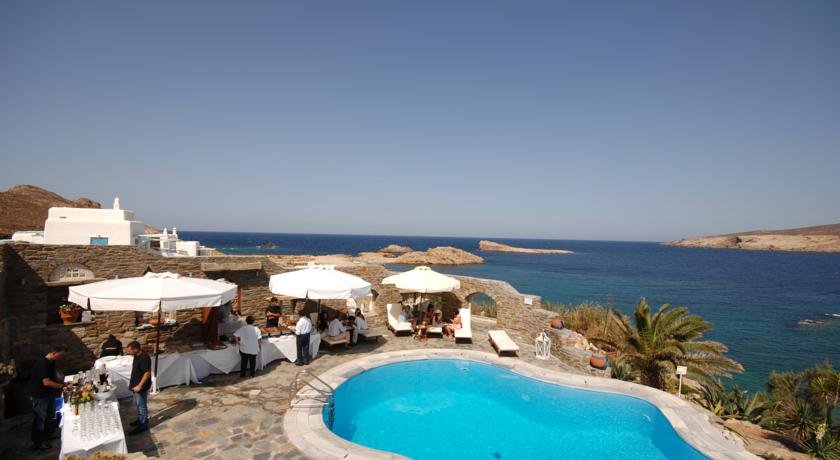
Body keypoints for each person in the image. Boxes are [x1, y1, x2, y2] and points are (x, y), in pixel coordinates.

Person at [28, 345, 66, 451]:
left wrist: (63, 383)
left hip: (48, 393)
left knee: (50, 415)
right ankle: (38, 443)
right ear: (54, 352)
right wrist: (61, 386)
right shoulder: (42, 363)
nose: (61, 358)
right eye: (61, 355)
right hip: (39, 395)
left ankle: (49, 434)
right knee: (40, 419)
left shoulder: (51, 362)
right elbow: (46, 382)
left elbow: (52, 377)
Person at [126, 341, 152, 435]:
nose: (128, 353)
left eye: (130, 351)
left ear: (136, 349)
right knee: (138, 404)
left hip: (141, 387)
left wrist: (140, 385)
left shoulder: (144, 357)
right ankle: (141, 419)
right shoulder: (136, 356)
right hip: (135, 385)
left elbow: (147, 372)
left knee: (141, 406)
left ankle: (143, 425)